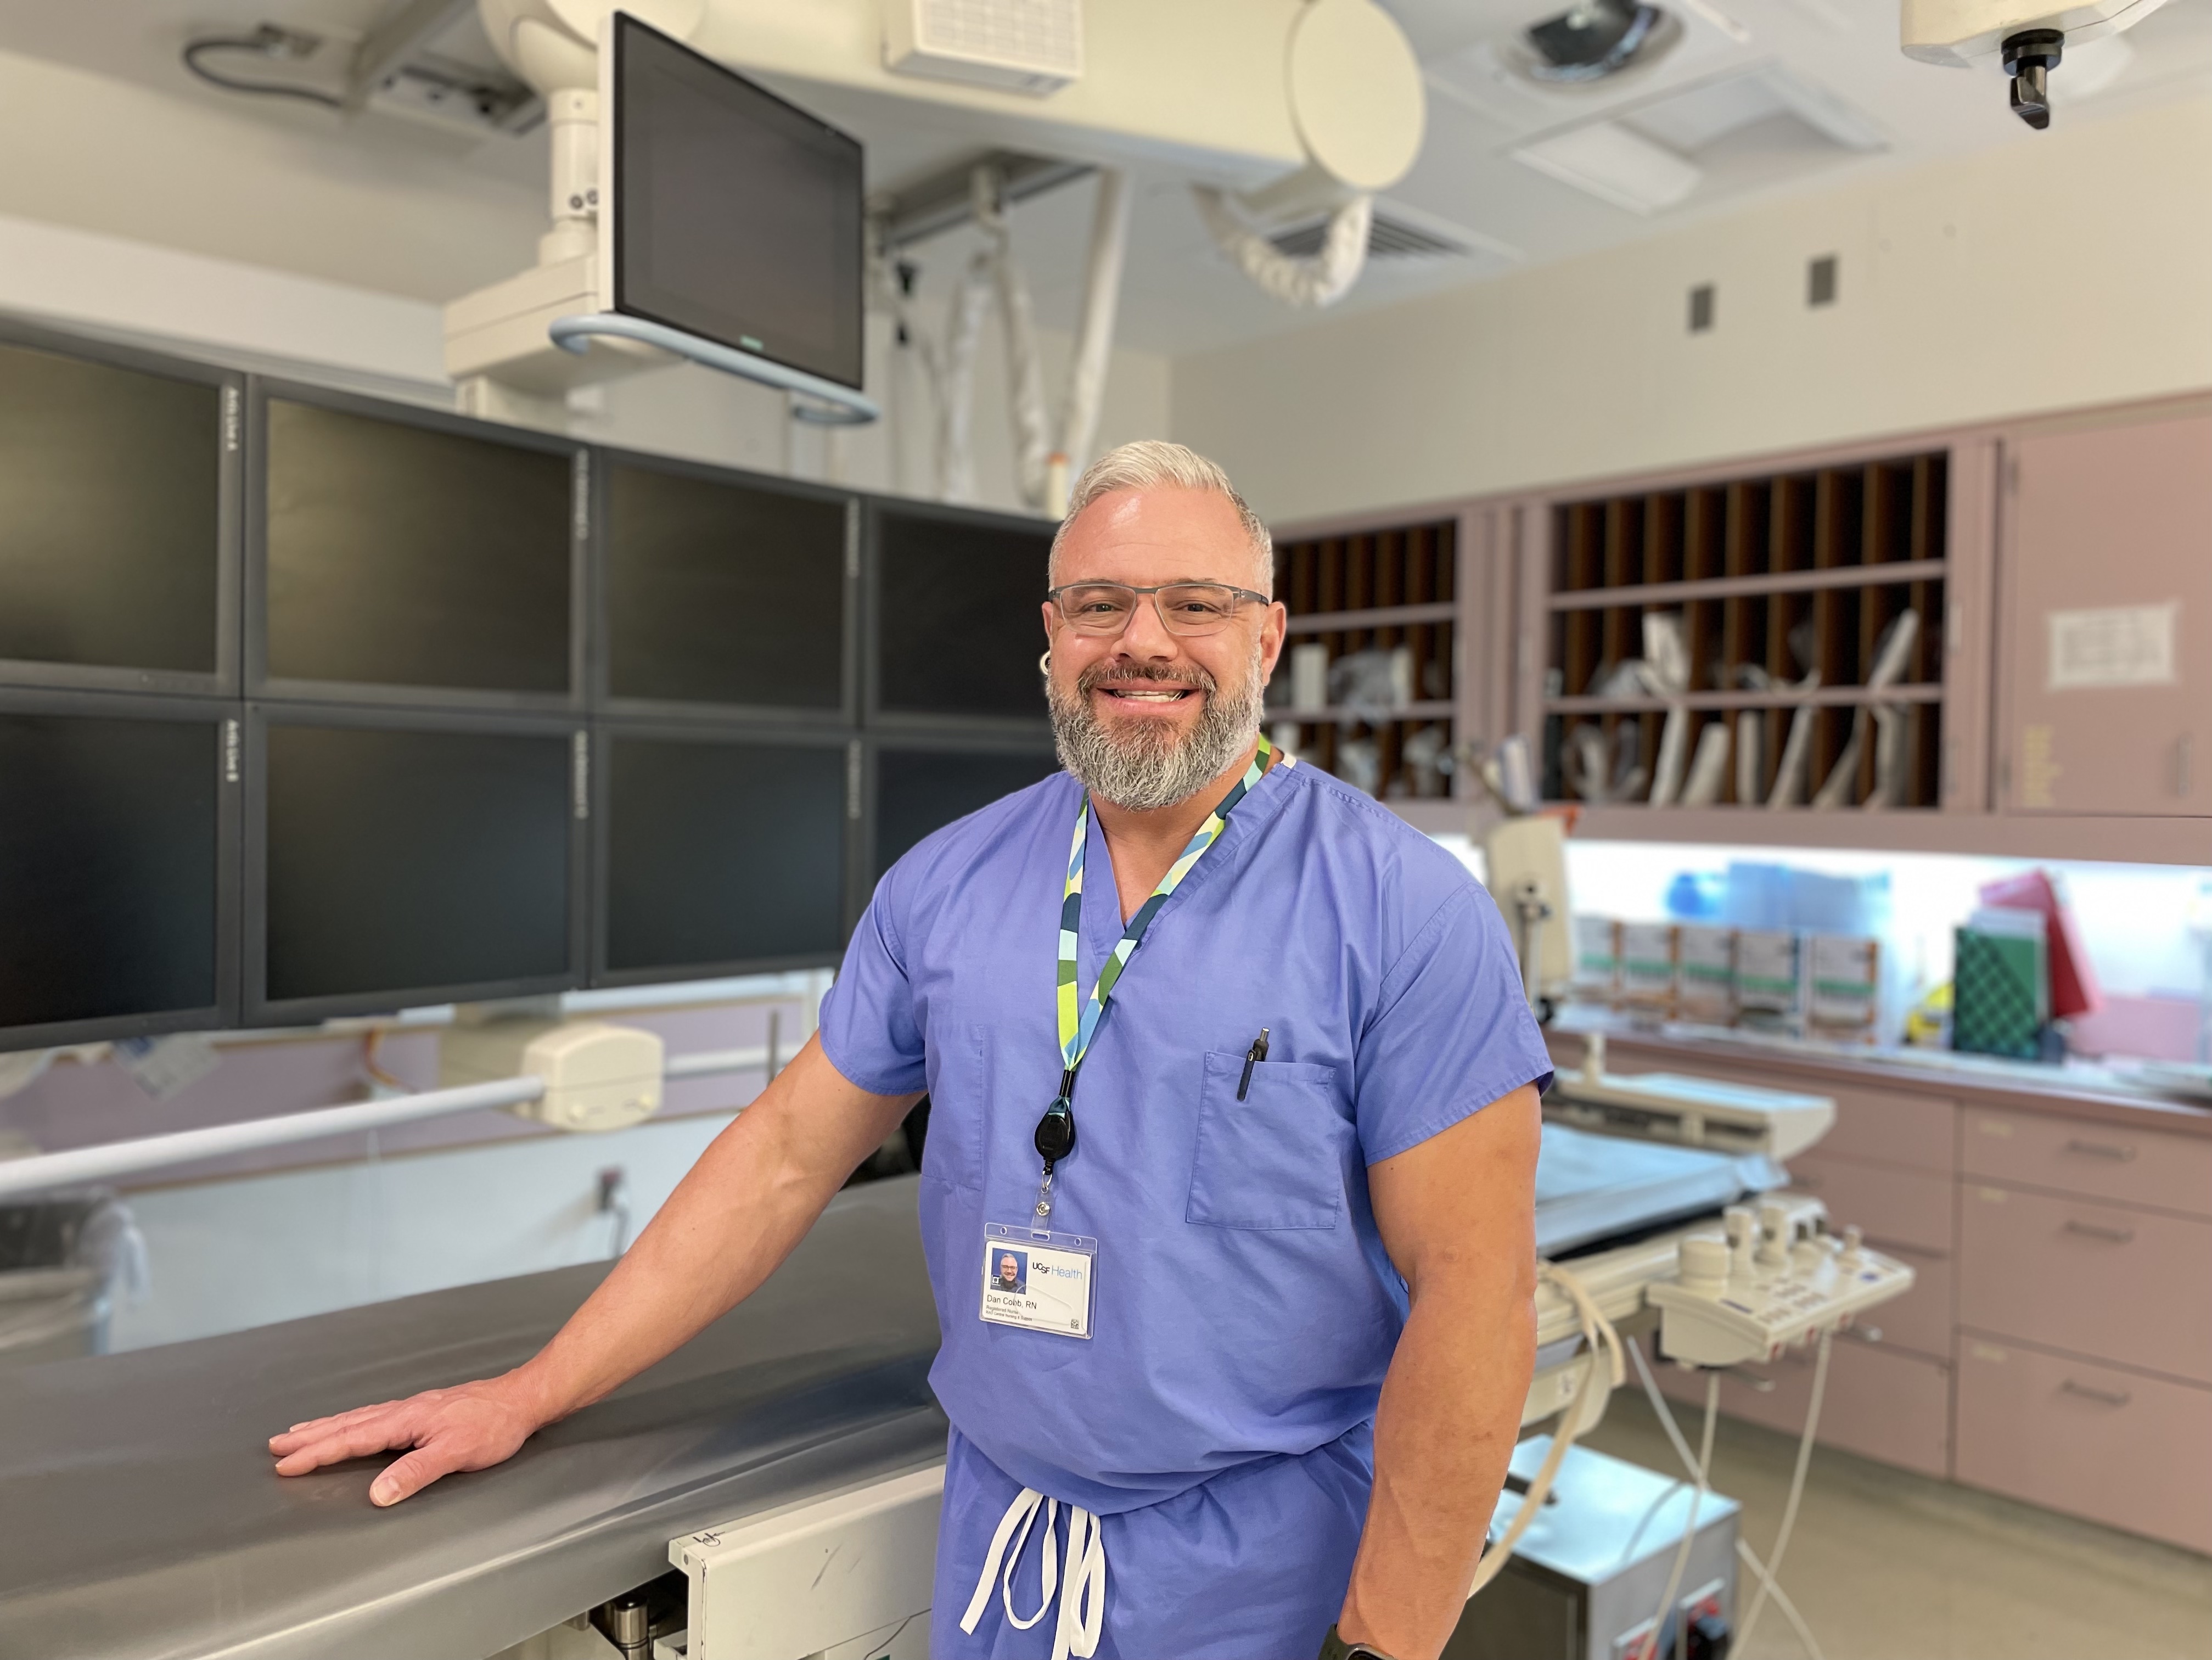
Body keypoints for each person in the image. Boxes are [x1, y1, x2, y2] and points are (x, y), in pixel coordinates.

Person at [269, 441, 1549, 1660]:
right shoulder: (947, 886)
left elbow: (1475, 1299)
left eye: (1194, 604)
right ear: (1051, 642)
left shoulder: (1397, 908)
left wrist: (1384, 1643)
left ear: (1264, 636)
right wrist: (531, 1391)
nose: (1143, 643)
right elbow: (780, 1157)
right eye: (1098, 604)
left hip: (1262, 1573)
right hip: (999, 1537)